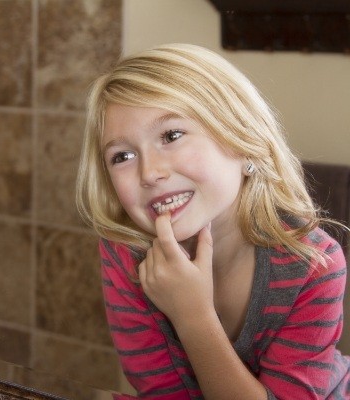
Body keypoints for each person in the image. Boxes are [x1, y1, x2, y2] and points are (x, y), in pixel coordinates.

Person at [76, 43, 350, 399]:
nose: (150, 173)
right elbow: (163, 393)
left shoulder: (312, 266)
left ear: (242, 141)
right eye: (122, 156)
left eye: (171, 136)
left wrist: (192, 315)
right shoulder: (128, 254)